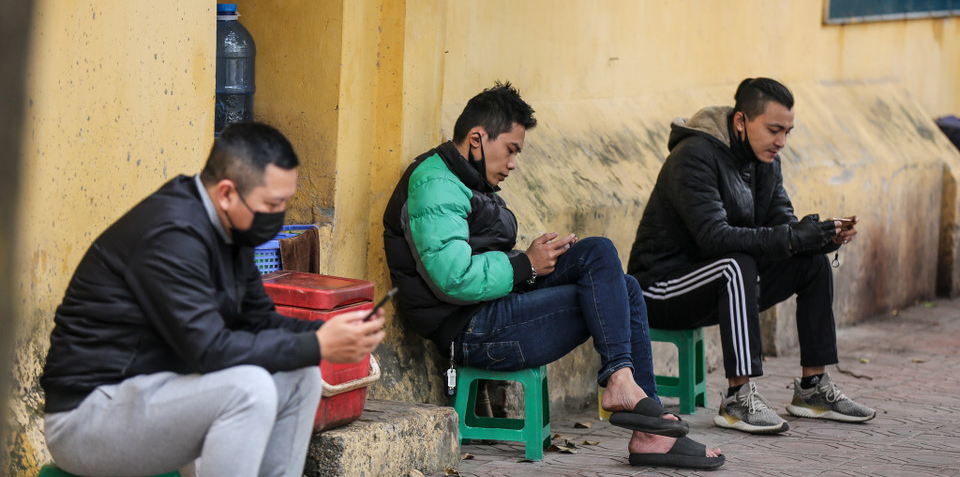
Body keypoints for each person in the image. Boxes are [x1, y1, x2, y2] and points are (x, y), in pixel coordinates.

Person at [383, 82, 724, 470]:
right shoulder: (435, 184)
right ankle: (639, 412)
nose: (513, 162)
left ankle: (630, 395)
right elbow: (453, 278)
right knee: (612, 294)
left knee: (605, 262)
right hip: (471, 330)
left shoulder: (467, 177)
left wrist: (535, 261)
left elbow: (481, 255)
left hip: (495, 306)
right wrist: (525, 265)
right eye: (511, 149)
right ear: (477, 139)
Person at [40, 122, 386, 477]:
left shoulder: (231, 228)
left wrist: (332, 333)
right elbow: (210, 351)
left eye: (286, 202)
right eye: (272, 204)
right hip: (88, 417)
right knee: (249, 390)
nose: (279, 215)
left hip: (160, 395)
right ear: (226, 193)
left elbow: (260, 321)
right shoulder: (172, 235)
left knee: (302, 376)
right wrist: (317, 344)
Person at [628, 77, 876, 435]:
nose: (782, 142)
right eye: (774, 130)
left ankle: (813, 389)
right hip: (659, 288)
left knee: (811, 264)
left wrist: (823, 237)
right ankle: (737, 398)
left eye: (787, 132)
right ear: (741, 121)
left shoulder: (766, 162)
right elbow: (714, 238)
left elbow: (782, 226)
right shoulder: (694, 156)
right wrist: (793, 237)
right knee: (735, 263)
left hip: (721, 282)